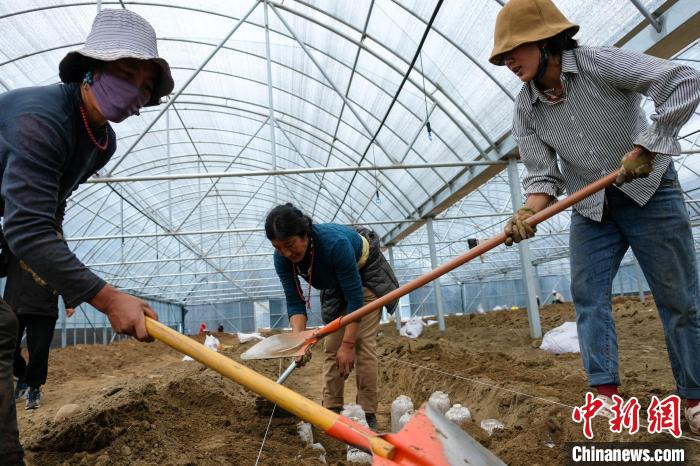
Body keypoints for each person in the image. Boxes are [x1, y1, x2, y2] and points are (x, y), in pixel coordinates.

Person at [491, 0, 700, 432]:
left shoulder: (598, 63)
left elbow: (683, 79)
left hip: (650, 192)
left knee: (678, 299)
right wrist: (526, 214)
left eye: (515, 50)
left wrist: (649, 144)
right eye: (503, 56)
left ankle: (695, 398)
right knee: (587, 296)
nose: (509, 61)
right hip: (592, 208)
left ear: (546, 41)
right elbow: (543, 176)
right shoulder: (526, 108)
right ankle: (604, 394)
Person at [0, 9, 173, 464]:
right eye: (126, 72)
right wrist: (107, 297)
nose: (136, 88)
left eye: (146, 84)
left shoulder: (100, 142)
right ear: (91, 68)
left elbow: (50, 206)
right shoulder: (41, 117)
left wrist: (61, 268)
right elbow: (25, 226)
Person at [266, 203, 399, 430]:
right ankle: (331, 408)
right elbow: (294, 299)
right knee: (332, 346)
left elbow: (355, 297)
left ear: (305, 234)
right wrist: (300, 340)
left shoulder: (333, 244)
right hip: (336, 284)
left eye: (290, 245)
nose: (286, 253)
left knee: (361, 344)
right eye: (279, 248)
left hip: (365, 277)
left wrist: (348, 344)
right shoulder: (282, 259)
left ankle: (367, 412)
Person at [6, 248, 75, 410]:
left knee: (38, 351)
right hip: (14, 302)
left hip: (42, 305)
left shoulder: (48, 240)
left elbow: (62, 269)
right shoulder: (11, 238)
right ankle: (23, 376)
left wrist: (69, 301)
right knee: (8, 347)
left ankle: (34, 387)